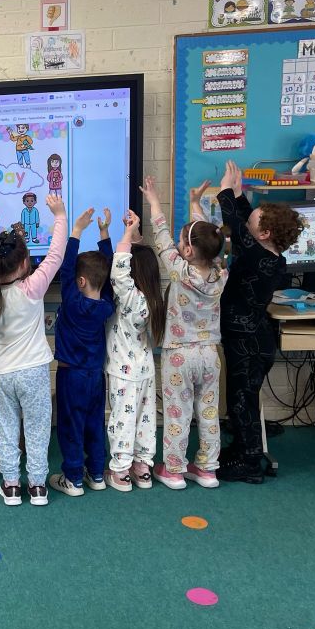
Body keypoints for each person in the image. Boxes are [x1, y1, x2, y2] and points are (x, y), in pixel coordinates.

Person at [217, 161, 302, 483]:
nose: (247, 220)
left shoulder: (258, 258)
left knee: (243, 402)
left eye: (253, 221)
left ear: (264, 234)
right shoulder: (268, 254)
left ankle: (250, 462)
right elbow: (246, 222)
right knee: (239, 398)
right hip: (249, 339)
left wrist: (225, 191)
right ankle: (241, 448)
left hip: (249, 344)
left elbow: (236, 227)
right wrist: (239, 195)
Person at [0, 195, 67, 506]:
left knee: (6, 429)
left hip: (3, 372)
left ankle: (12, 486)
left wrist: (4, 358)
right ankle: (38, 487)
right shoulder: (32, 287)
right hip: (34, 372)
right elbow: (55, 255)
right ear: (25, 263)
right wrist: (59, 216)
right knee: (37, 428)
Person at [141, 176, 227, 490]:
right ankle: (207, 468)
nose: (177, 246)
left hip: (179, 354)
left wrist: (154, 201)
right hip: (209, 355)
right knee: (208, 412)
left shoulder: (181, 271)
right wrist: (195, 204)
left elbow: (162, 237)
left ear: (188, 251)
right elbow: (208, 240)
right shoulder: (220, 272)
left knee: (178, 411)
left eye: (182, 244)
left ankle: (175, 469)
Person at [49, 208, 114, 498]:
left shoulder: (74, 302)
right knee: (94, 423)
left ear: (80, 282)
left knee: (71, 425)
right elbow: (110, 277)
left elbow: (65, 269)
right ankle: (97, 473)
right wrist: (104, 235)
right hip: (95, 378)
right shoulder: (106, 305)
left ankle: (73, 478)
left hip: (71, 376)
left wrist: (76, 231)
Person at [104, 211, 166, 491]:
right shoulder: (151, 298)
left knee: (123, 419)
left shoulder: (130, 297)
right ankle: (142, 467)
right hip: (145, 370)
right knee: (145, 419)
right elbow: (137, 260)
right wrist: (133, 233)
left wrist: (128, 235)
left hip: (123, 371)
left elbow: (119, 268)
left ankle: (120, 472)